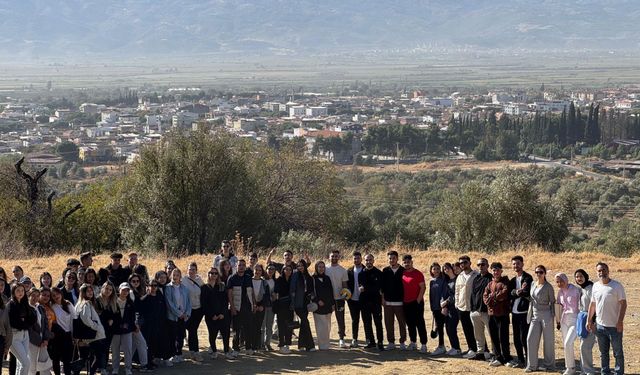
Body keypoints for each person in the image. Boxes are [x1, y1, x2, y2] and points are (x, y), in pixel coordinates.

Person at [587, 262, 626, 375]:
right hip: (600, 326)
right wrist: (589, 320)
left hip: (614, 326)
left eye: (603, 270)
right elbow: (592, 304)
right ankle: (605, 372)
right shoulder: (595, 286)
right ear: (596, 272)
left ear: (608, 271)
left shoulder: (616, 286)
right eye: (599, 270)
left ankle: (619, 372)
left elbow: (623, 304)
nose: (601, 272)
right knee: (603, 353)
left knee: (617, 352)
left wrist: (620, 321)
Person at [525, 265, 556, 373]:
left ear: (545, 273)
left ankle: (549, 365)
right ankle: (532, 365)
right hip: (535, 314)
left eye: (541, 272)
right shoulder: (533, 284)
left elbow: (552, 302)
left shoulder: (548, 287)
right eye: (537, 272)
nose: (538, 274)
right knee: (530, 339)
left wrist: (554, 318)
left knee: (548, 341)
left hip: (547, 314)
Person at [483, 262, 511, 367]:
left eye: (498, 270)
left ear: (501, 271)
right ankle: (497, 357)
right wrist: (492, 298)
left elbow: (504, 294)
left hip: (503, 313)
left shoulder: (505, 282)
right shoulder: (490, 284)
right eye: (494, 270)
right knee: (494, 337)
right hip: (492, 314)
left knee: (503, 337)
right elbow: (485, 297)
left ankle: (506, 358)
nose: (496, 272)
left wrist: (492, 296)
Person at [200, 267, 233, 359]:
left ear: (218, 275)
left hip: (223, 315)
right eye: (212, 273)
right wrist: (211, 315)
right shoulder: (204, 288)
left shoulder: (222, 286)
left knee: (225, 334)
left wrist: (223, 313)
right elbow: (204, 303)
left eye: (215, 273)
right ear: (208, 274)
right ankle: (214, 351)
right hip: (211, 317)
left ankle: (226, 351)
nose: (214, 275)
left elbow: (225, 301)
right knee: (212, 334)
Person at [75, 283, 107, 375]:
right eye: (88, 291)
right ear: (83, 293)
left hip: (87, 335)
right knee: (99, 356)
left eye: (91, 290)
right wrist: (97, 327)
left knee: (86, 357)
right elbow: (86, 319)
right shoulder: (85, 303)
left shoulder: (79, 304)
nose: (90, 292)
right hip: (94, 335)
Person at [508, 255, 533, 368]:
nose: (516, 266)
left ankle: (529, 360)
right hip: (514, 312)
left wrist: (518, 292)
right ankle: (520, 360)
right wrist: (518, 291)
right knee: (516, 338)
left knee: (524, 337)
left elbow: (527, 292)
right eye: (514, 264)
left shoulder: (528, 278)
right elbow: (509, 293)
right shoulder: (513, 280)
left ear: (522, 264)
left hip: (524, 312)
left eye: (518, 263)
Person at [139, 279, 171, 367]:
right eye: (151, 285)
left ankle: (153, 360)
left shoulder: (160, 297)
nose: (153, 287)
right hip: (148, 326)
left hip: (159, 325)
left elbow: (164, 310)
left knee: (154, 343)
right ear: (148, 287)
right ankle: (147, 362)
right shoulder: (144, 299)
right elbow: (141, 313)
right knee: (147, 344)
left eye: (155, 285)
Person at [401, 255, 428, 353]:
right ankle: (413, 342)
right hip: (405, 302)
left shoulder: (418, 273)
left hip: (416, 302)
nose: (406, 264)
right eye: (405, 262)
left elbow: (423, 287)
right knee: (410, 323)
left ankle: (424, 344)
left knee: (420, 323)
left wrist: (418, 300)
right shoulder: (402, 273)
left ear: (412, 262)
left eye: (408, 262)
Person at [555, 273, 580, 375]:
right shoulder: (560, 292)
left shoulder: (575, 289)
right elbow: (558, 306)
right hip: (564, 320)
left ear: (566, 280)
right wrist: (557, 321)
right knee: (566, 345)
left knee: (568, 343)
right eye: (557, 282)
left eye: (561, 281)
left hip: (575, 319)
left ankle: (572, 367)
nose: (559, 283)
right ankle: (570, 368)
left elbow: (580, 304)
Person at [9, 283, 36, 375]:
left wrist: (24, 323)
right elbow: (14, 322)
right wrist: (24, 323)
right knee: (26, 363)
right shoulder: (10, 305)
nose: (20, 292)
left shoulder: (25, 304)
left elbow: (32, 318)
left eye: (22, 290)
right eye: (17, 290)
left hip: (25, 335)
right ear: (13, 292)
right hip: (14, 336)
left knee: (21, 363)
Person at [227, 259, 253, 353]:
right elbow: (229, 294)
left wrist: (253, 304)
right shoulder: (232, 278)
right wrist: (232, 307)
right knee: (235, 330)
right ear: (236, 266)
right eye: (239, 265)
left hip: (247, 307)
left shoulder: (248, 277)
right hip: (237, 308)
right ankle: (235, 348)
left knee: (248, 328)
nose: (241, 267)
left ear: (245, 267)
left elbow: (251, 292)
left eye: (243, 265)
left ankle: (248, 347)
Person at [165, 269, 191, 363]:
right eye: (174, 275)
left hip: (183, 317)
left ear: (180, 277)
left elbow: (188, 302)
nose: (175, 277)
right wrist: (179, 314)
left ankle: (179, 354)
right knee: (172, 336)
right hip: (173, 317)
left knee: (180, 336)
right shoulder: (168, 288)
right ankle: (172, 354)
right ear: (171, 276)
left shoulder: (184, 288)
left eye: (177, 275)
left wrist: (187, 314)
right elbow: (169, 303)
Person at [323, 249, 349, 348]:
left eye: (336, 256)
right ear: (329, 257)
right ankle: (325, 339)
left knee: (340, 319)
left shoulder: (343, 270)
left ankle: (341, 339)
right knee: (326, 319)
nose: (334, 258)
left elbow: (345, 285)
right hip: (328, 299)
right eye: (332, 256)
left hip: (339, 299)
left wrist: (345, 296)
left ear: (339, 257)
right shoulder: (325, 268)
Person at [381, 250, 406, 350]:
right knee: (388, 323)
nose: (391, 260)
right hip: (387, 302)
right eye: (390, 258)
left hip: (399, 302)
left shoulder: (403, 270)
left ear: (397, 259)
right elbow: (382, 287)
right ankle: (391, 342)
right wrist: (382, 299)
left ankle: (402, 342)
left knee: (402, 323)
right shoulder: (385, 270)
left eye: (393, 258)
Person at [455, 255, 479, 359]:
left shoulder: (476, 275)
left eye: (465, 262)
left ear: (470, 262)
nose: (463, 265)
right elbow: (457, 291)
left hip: (473, 307)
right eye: (461, 263)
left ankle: (483, 350)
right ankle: (472, 349)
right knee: (467, 330)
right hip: (461, 307)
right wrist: (456, 303)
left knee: (478, 330)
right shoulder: (459, 276)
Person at [359, 254, 384, 351]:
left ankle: (380, 342)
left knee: (378, 322)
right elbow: (361, 287)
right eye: (366, 260)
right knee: (366, 323)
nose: (368, 262)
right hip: (364, 302)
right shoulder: (361, 273)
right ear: (364, 261)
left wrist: (366, 288)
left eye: (370, 260)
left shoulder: (378, 273)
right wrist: (366, 289)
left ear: (373, 260)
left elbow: (378, 288)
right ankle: (370, 342)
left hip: (376, 302)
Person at [289, 259, 315, 352]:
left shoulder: (308, 277)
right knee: (305, 322)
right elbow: (292, 289)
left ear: (305, 266)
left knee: (304, 323)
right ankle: (310, 345)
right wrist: (292, 302)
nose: (300, 267)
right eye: (298, 265)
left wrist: (311, 296)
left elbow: (311, 290)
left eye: (302, 265)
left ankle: (301, 345)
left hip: (306, 302)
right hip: (297, 302)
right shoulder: (295, 275)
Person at [469, 258, 492, 360]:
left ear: (487, 265)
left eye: (483, 264)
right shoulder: (476, 278)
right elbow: (473, 294)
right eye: (478, 265)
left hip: (487, 312)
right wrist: (472, 309)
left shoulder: (491, 278)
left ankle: (495, 353)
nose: (480, 267)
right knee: (478, 335)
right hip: (475, 311)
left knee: (492, 334)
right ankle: (480, 353)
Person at [26, 287, 52, 375]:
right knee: (32, 367)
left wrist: (45, 339)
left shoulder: (40, 308)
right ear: (29, 296)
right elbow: (29, 328)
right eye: (33, 296)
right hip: (31, 342)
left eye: (37, 296)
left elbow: (46, 325)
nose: (35, 298)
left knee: (45, 366)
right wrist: (39, 341)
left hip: (43, 341)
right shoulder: (26, 309)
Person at [126, 274, 149, 372]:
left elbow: (138, 302)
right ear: (130, 282)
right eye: (133, 281)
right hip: (133, 322)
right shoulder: (131, 292)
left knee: (134, 345)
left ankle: (129, 364)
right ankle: (144, 365)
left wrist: (146, 295)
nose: (136, 283)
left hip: (134, 321)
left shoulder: (135, 292)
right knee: (142, 343)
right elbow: (132, 309)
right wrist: (135, 323)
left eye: (137, 281)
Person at [574, 269, 596, 375]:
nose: (579, 278)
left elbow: (594, 305)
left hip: (590, 319)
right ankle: (584, 370)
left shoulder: (591, 288)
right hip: (582, 318)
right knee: (583, 345)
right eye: (577, 277)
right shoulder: (582, 289)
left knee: (585, 345)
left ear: (585, 276)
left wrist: (592, 321)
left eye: (581, 276)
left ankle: (589, 371)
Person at [50, 287, 75, 375]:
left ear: (60, 293)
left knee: (67, 360)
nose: (56, 296)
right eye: (53, 295)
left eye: (57, 293)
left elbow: (73, 320)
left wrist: (74, 335)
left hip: (68, 336)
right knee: (56, 359)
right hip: (57, 336)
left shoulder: (68, 304)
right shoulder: (51, 306)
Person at [112, 283, 136, 375]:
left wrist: (130, 326)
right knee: (115, 350)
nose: (125, 292)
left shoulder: (130, 303)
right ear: (119, 290)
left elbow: (132, 317)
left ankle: (128, 368)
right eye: (123, 290)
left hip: (127, 330)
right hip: (115, 331)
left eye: (127, 290)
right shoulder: (113, 301)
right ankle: (115, 369)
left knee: (128, 350)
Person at [183, 262, 205, 361]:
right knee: (191, 329)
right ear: (187, 270)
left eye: (193, 269)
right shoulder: (183, 280)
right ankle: (194, 351)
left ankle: (194, 351)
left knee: (193, 329)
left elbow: (204, 292)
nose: (191, 271)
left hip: (198, 310)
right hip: (188, 310)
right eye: (190, 269)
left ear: (196, 271)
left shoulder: (199, 280)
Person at [95, 282, 117, 372]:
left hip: (109, 330)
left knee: (106, 348)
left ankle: (104, 367)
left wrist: (112, 319)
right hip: (99, 329)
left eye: (110, 290)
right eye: (107, 288)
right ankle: (98, 367)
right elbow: (96, 315)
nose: (108, 291)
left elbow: (115, 314)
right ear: (102, 288)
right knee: (99, 349)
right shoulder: (96, 300)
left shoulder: (112, 301)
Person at [312, 261, 334, 350]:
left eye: (323, 267)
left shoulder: (327, 278)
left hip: (328, 305)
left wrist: (332, 304)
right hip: (319, 306)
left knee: (328, 325)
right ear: (316, 268)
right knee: (321, 326)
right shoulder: (313, 278)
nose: (321, 269)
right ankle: (322, 345)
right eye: (319, 267)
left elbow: (331, 291)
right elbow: (311, 293)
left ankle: (326, 344)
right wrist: (317, 301)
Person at [441, 263, 462, 356]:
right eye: (444, 269)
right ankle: (453, 347)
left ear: (451, 268)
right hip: (448, 308)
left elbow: (456, 294)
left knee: (452, 327)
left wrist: (446, 302)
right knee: (448, 328)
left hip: (455, 307)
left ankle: (457, 348)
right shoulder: (447, 281)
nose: (446, 270)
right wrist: (444, 305)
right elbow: (444, 294)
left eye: (447, 268)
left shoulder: (457, 279)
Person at [248, 264, 269, 353]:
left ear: (262, 272)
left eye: (259, 270)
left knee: (258, 327)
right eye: (256, 270)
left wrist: (262, 306)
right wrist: (253, 305)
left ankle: (256, 346)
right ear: (253, 270)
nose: (257, 272)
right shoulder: (249, 281)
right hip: (250, 307)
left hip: (260, 308)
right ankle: (249, 346)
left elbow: (267, 297)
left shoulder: (264, 283)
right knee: (250, 327)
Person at [346, 252, 364, 348]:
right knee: (355, 320)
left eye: (358, 258)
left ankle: (369, 340)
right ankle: (354, 339)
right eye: (355, 258)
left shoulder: (365, 270)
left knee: (366, 320)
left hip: (364, 300)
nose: (356, 260)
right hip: (352, 300)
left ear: (361, 259)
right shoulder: (349, 271)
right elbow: (346, 285)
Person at [274, 265, 294, 354]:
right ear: (283, 270)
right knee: (281, 325)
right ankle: (281, 344)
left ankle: (287, 344)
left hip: (290, 306)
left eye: (290, 269)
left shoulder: (293, 280)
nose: (288, 271)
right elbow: (276, 292)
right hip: (281, 305)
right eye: (286, 269)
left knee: (289, 325)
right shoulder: (279, 280)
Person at [429, 263, 447, 355]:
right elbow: (430, 296)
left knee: (440, 327)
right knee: (438, 327)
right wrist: (432, 307)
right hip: (435, 308)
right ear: (431, 270)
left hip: (442, 307)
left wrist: (443, 306)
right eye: (434, 269)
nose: (436, 270)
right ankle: (441, 345)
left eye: (437, 269)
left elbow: (443, 294)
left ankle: (441, 346)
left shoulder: (443, 280)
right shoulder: (432, 281)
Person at [261, 264, 277, 351]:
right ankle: (262, 344)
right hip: (263, 305)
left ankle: (268, 343)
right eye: (269, 268)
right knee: (262, 326)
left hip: (271, 306)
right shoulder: (262, 280)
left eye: (273, 269)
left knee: (269, 326)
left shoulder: (275, 281)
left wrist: (275, 296)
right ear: (266, 269)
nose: (271, 270)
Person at [0, 279, 12, 375]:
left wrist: (7, 345)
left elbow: (8, 324)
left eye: (2, 285)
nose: (0, 287)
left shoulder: (6, 301)